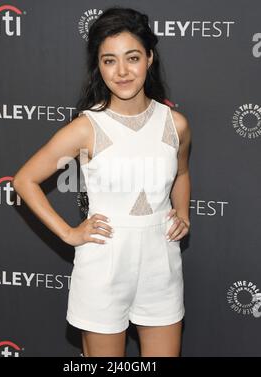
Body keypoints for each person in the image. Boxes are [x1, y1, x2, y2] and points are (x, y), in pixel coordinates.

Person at [12, 6, 191, 357]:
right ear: (99, 65)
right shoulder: (86, 127)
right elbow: (24, 180)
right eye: (109, 61)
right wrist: (69, 234)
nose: (122, 71)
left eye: (132, 57)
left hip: (161, 261)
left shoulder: (176, 124)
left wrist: (182, 212)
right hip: (104, 262)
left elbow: (181, 172)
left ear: (150, 58)